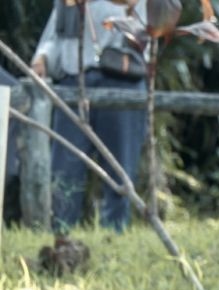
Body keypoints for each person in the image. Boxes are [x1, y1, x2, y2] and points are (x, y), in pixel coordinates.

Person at [31, 0, 148, 234]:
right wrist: (41, 58)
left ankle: (115, 238)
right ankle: (61, 237)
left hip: (121, 81)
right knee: (65, 169)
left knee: (120, 171)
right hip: (73, 81)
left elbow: (145, 32)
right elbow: (55, 35)